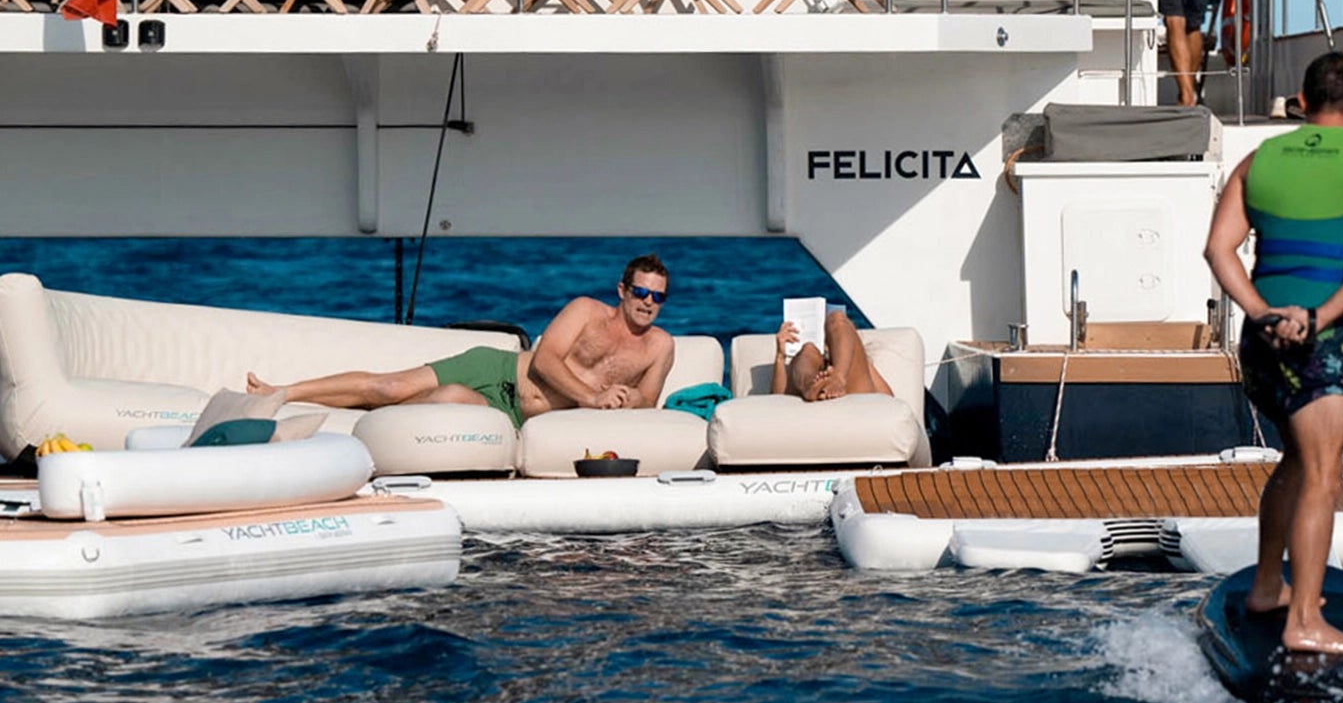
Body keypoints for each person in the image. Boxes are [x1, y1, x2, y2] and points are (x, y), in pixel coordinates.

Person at [1203, 52, 1343, 655]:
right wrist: (1316, 318)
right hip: (1322, 342)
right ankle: (1305, 625)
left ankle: (1270, 588)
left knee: (1294, 461)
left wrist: (1261, 312)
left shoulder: (1257, 161)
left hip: (1262, 343)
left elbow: (1219, 250)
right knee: (1323, 475)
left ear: (1302, 98)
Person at [246, 255, 678, 427]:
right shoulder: (586, 310)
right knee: (390, 387)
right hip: (500, 369)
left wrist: (627, 399)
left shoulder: (659, 346)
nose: (648, 303)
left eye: (657, 297)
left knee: (447, 397)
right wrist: (591, 398)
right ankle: (282, 392)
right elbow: (546, 361)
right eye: (641, 292)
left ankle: (361, 425)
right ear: (622, 290)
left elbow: (650, 399)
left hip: (511, 413)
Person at [769, 308, 893, 402]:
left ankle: (837, 379)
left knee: (837, 317)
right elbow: (779, 400)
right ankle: (810, 385)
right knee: (808, 349)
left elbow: (888, 400)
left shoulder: (858, 361)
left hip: (851, 387)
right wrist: (780, 356)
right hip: (815, 385)